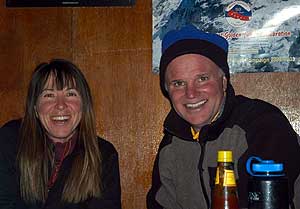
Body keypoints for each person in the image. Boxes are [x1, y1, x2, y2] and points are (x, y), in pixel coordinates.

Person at [147, 25, 300, 209]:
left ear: (224, 81)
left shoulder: (263, 124)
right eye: (178, 83)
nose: (191, 93)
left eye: (202, 79)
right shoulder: (171, 145)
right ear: (167, 90)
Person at [0, 59, 122, 209]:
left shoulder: (104, 155)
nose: (60, 105)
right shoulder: (10, 140)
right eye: (49, 95)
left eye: (70, 94)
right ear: (35, 108)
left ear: (84, 105)